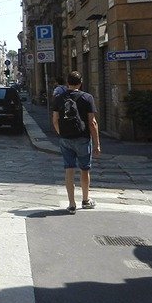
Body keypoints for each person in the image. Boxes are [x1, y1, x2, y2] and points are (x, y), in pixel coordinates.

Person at [51, 71, 101, 214]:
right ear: (80, 83)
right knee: (85, 169)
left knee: (69, 170)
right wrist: (97, 143)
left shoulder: (59, 98)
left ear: (67, 83)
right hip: (83, 138)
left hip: (65, 139)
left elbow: (55, 120)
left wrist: (62, 134)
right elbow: (92, 122)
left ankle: (71, 204)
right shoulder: (87, 97)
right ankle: (85, 200)